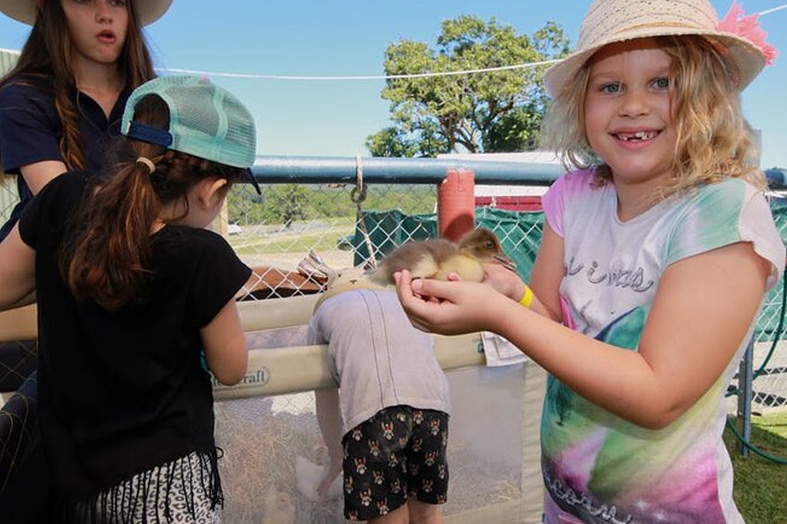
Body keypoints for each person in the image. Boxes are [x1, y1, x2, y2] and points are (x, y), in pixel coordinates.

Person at [395, 1, 786, 523]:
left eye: (662, 83)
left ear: (709, 99)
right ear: (581, 105)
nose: (632, 106)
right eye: (609, 86)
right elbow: (555, 327)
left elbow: (658, 392)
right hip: (565, 507)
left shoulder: (719, 211)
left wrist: (496, 314)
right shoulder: (573, 198)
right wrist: (511, 295)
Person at [0, 74, 258, 522]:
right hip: (167, 490)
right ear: (212, 190)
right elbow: (232, 368)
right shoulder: (203, 256)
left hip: (72, 481)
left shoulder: (63, 199)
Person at [0, 0, 170, 239]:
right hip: (48, 256)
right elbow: (66, 202)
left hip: (146, 250)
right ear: (48, 8)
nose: (104, 14)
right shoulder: (21, 97)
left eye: (117, 2)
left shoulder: (160, 103)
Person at [309, 279, 451, 524]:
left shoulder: (323, 312)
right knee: (426, 513)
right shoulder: (401, 302)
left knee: (388, 516)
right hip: (433, 407)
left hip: (374, 414)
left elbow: (325, 399)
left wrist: (335, 456)